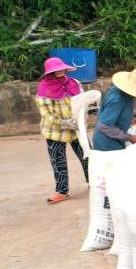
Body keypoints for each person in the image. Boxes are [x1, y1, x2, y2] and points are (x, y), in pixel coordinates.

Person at [36, 57, 89, 204]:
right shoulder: (44, 88)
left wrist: (85, 113)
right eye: (56, 69)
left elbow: (83, 101)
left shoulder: (74, 83)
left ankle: (94, 183)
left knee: (87, 156)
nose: (60, 71)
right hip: (55, 131)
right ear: (49, 72)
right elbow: (46, 113)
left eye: (61, 68)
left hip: (76, 128)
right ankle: (62, 192)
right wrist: (64, 123)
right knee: (58, 161)